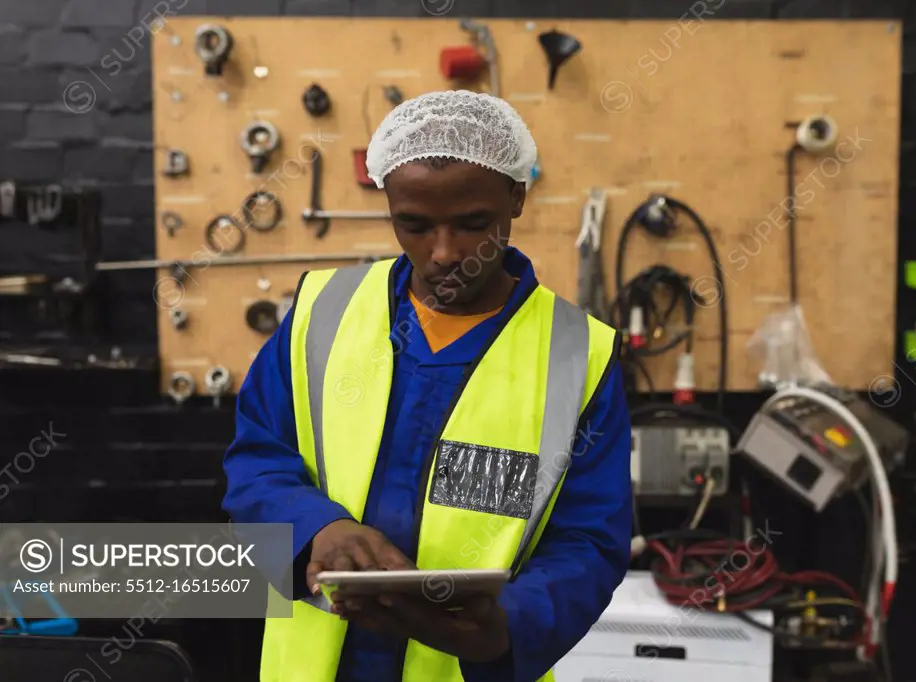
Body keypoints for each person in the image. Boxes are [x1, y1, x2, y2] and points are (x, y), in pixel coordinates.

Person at [222, 89, 633, 682]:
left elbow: (589, 540)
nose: (445, 253)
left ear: (517, 197)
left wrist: (507, 625)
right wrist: (318, 528)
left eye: (473, 224)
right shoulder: (323, 313)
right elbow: (259, 459)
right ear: (387, 202)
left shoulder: (579, 356)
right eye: (413, 225)